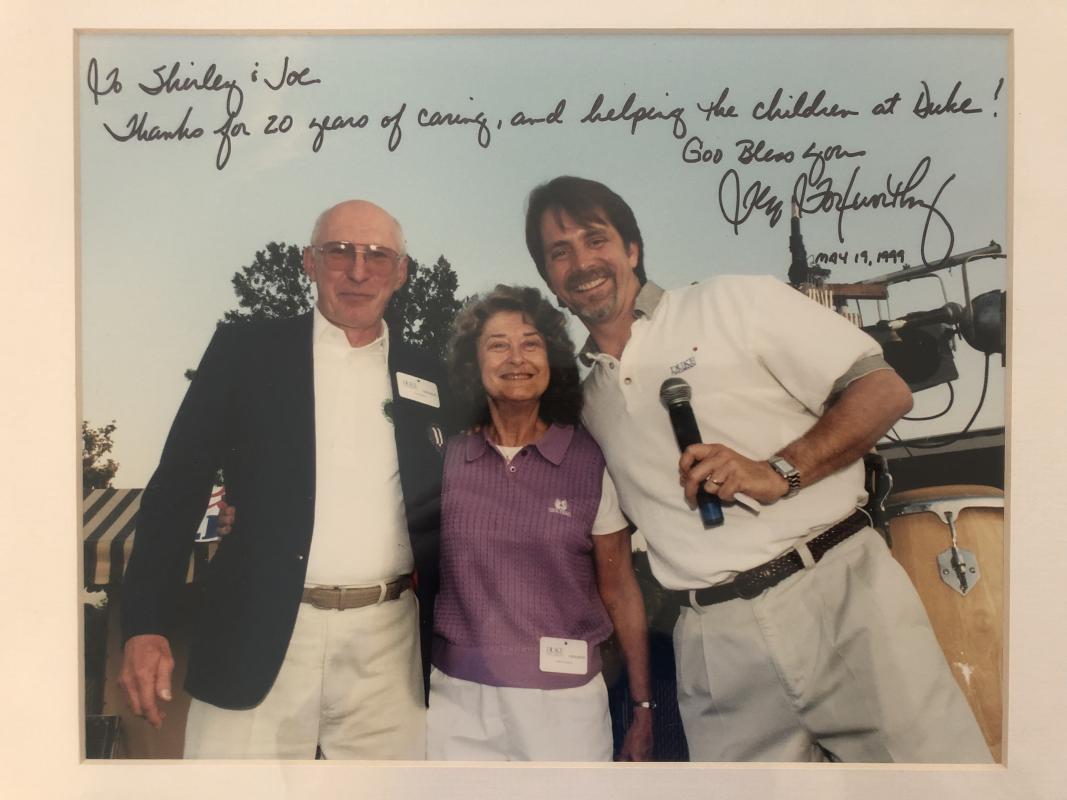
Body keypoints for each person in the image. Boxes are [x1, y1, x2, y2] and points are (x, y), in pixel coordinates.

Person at [521, 175, 993, 763]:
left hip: (838, 592)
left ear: (633, 249)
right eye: (559, 252)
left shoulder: (732, 301)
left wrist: (779, 471)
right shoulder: (585, 401)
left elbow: (884, 391)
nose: (582, 263)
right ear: (550, 280)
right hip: (712, 642)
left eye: (596, 239)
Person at [119, 200, 451, 759]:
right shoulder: (245, 351)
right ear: (309, 262)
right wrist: (146, 623)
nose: (358, 270)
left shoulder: (433, 373)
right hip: (256, 631)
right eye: (339, 251)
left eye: (377, 256)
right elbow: (178, 486)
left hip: (390, 651)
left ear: (401, 272)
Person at [427, 285, 653, 761]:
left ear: (552, 359)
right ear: (474, 362)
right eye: (498, 345)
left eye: (531, 343)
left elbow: (619, 589)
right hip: (457, 701)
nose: (516, 358)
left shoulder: (589, 459)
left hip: (565, 708)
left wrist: (643, 704)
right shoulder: (446, 458)